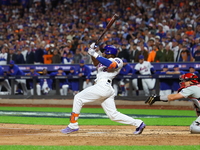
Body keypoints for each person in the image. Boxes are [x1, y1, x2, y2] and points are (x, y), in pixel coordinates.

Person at [61, 43, 146, 135]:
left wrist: (95, 53)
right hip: (104, 88)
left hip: (103, 86)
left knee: (78, 98)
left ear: (109, 52)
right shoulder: (102, 60)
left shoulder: (118, 60)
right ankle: (139, 123)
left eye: (104, 51)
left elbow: (112, 65)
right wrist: (92, 51)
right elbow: (95, 63)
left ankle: (73, 125)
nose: (103, 53)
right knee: (113, 115)